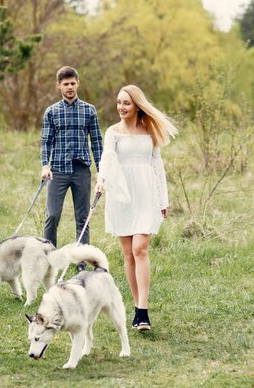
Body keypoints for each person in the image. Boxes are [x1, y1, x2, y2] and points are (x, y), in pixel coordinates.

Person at [96, 84, 177, 331]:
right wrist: (101, 179)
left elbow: (157, 165)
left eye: (126, 103)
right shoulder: (113, 132)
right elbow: (107, 158)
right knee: (128, 253)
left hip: (146, 195)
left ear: (136, 105)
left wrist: (163, 199)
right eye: (119, 102)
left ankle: (143, 311)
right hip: (121, 196)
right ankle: (136, 307)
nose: (121, 107)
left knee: (140, 248)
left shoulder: (149, 131)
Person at [40, 66, 103, 251]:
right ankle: (49, 256)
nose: (70, 87)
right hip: (57, 171)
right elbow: (45, 141)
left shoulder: (89, 111)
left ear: (78, 84)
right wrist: (45, 165)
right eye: (66, 84)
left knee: (83, 218)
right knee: (52, 215)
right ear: (58, 86)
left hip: (81, 170)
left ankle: (82, 259)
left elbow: (97, 143)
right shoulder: (51, 112)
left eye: (73, 83)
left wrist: (101, 171)